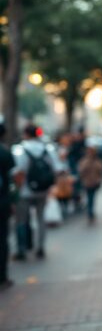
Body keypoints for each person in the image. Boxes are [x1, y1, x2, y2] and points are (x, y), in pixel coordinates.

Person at [12, 124, 61, 260]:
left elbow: (17, 172)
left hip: (24, 191)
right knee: (41, 219)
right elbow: (57, 168)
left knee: (21, 221)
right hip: (43, 191)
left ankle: (22, 249)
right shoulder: (47, 149)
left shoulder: (20, 150)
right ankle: (40, 247)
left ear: (26, 134)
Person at [0, 118, 15, 289]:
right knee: (3, 238)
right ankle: (2, 275)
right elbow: (12, 178)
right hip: (3, 202)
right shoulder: (5, 153)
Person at [78, 147, 102, 222]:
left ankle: (90, 212)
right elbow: (81, 171)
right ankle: (90, 212)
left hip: (95, 182)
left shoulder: (97, 161)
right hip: (87, 183)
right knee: (90, 198)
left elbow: (100, 171)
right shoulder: (85, 161)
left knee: (92, 198)